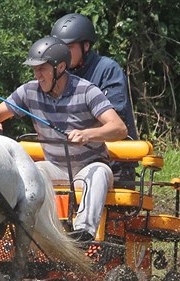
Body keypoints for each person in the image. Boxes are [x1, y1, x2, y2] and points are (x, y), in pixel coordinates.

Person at [0, 36, 127, 240]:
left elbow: (119, 128)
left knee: (99, 173)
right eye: (34, 69)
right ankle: (33, 233)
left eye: (42, 69)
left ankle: (83, 234)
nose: (37, 75)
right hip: (55, 167)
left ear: (60, 68)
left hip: (88, 166)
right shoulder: (29, 91)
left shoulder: (87, 91)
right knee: (33, 172)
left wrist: (88, 134)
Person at [51, 13, 139, 187]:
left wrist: (84, 135)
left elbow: (116, 123)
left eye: (68, 47)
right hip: (72, 164)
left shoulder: (107, 69)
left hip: (114, 164)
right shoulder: (59, 75)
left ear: (86, 46)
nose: (62, 54)